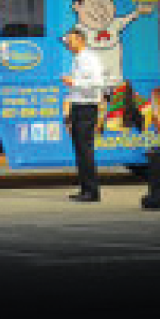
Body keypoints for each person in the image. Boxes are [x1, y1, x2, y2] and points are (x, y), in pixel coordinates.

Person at [62, 26, 106, 203]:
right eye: (67, 41)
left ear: (80, 40)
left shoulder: (89, 58)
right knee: (80, 149)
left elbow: (98, 82)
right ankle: (85, 189)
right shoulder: (78, 59)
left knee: (85, 150)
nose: (68, 44)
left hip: (87, 107)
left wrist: (74, 82)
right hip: (78, 106)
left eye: (70, 40)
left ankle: (92, 191)